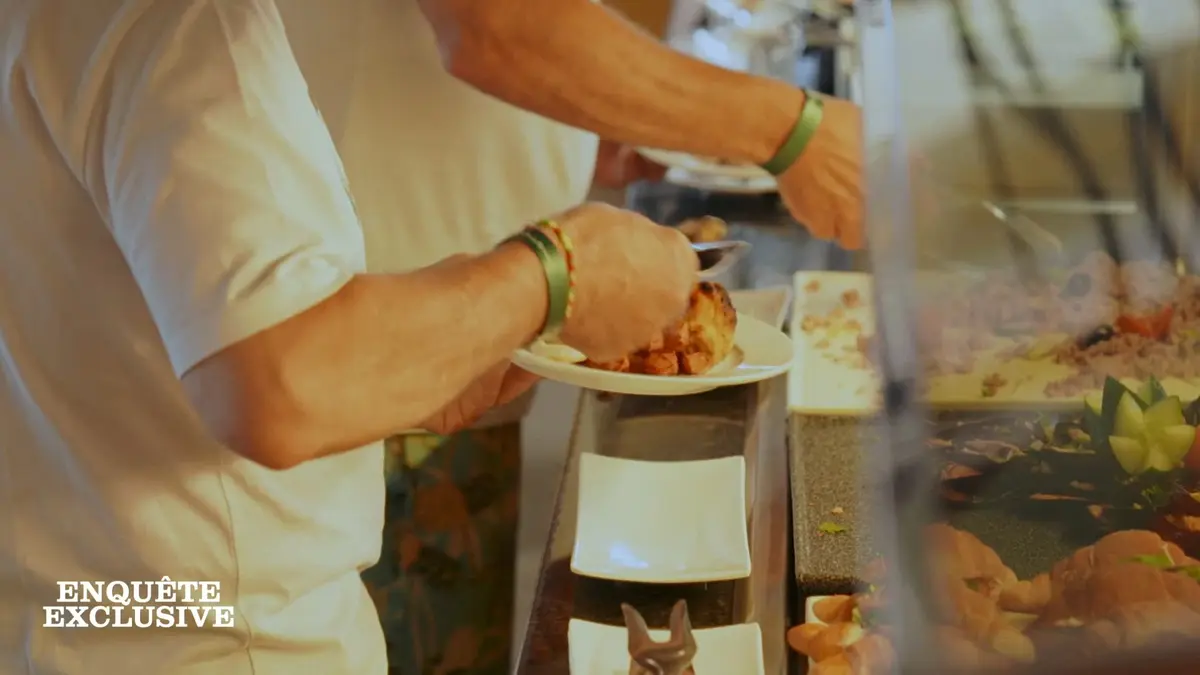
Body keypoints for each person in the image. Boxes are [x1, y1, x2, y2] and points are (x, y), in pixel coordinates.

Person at [0, 2, 863, 675]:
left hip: (84, 609)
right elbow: (275, 389)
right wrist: (554, 271)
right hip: (225, 638)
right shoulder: (180, 27)